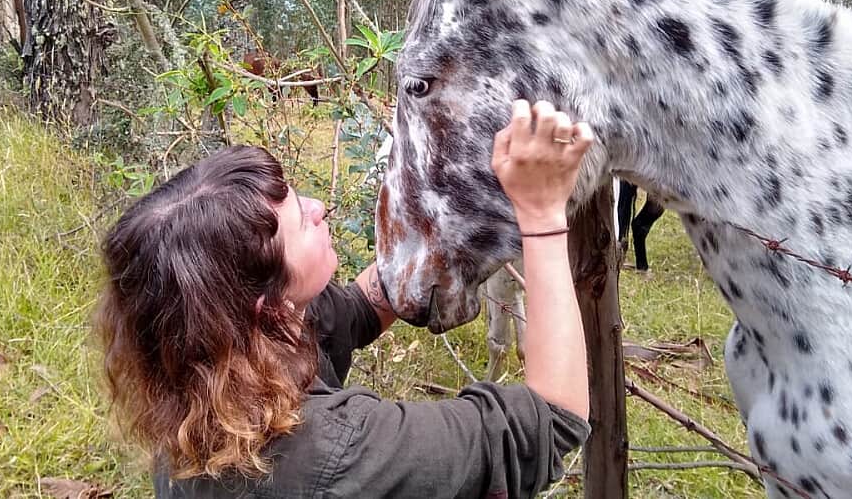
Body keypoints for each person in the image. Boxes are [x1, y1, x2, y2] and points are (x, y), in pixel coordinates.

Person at [95, 99, 594, 498]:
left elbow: (357, 309)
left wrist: (437, 217)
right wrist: (542, 213)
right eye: (299, 222)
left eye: (296, 197)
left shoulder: (201, 379)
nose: (316, 208)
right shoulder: (338, 454)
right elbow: (552, 421)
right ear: (266, 309)